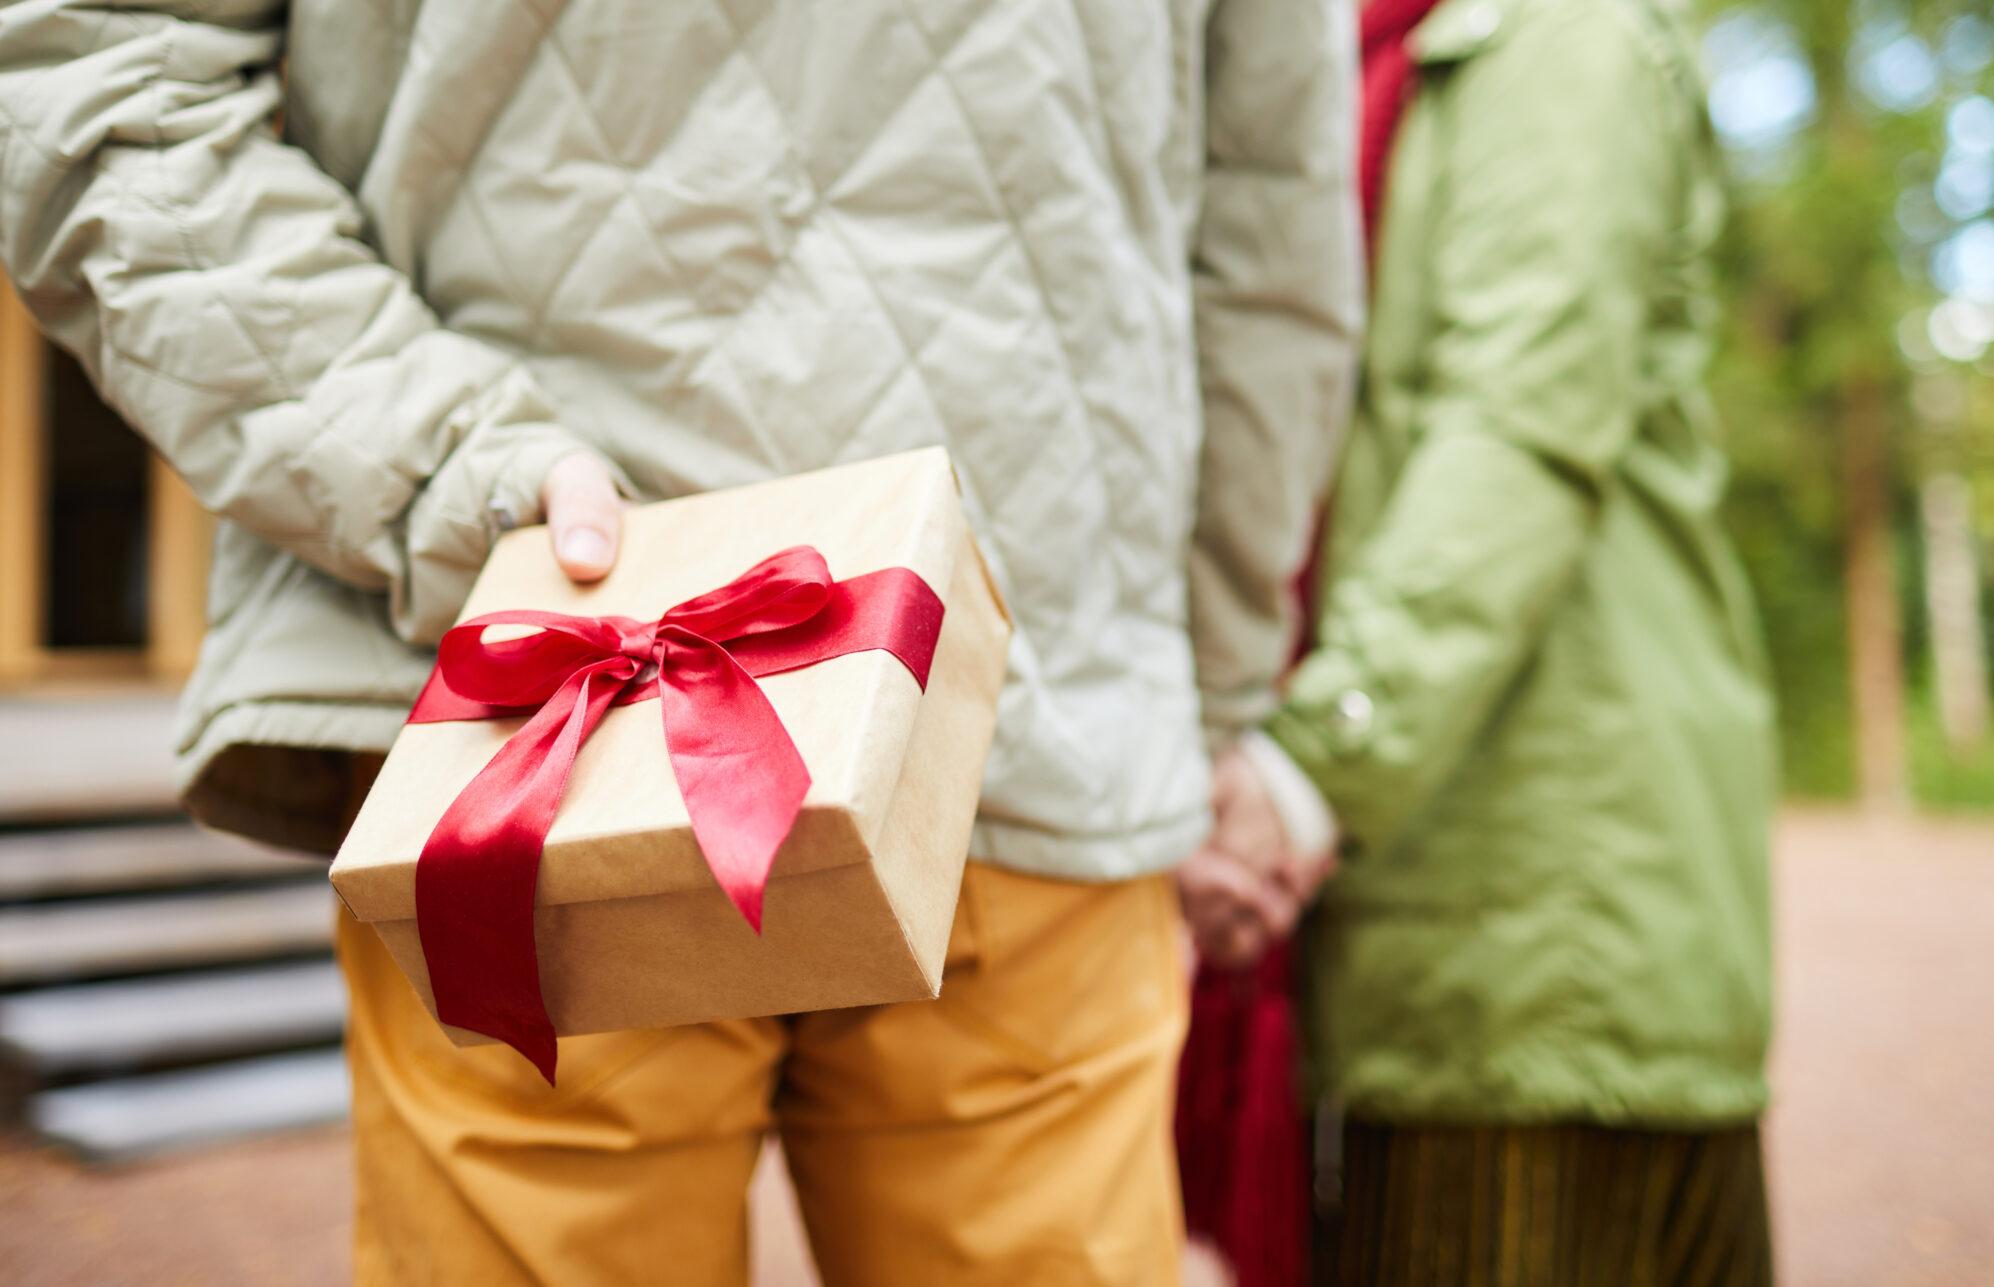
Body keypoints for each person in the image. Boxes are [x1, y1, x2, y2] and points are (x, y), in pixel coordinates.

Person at [0, 1, 1362, 1282]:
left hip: (545, 710)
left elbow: (103, 75)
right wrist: (1214, 682)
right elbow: (1274, 231)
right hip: (975, 682)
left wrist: (434, 461)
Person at [1182, 0, 1780, 1282]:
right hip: (1457, 906)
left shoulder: (1554, 36)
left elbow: (1521, 423)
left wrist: (1305, 769)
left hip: (1544, 911)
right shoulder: (1364, 59)